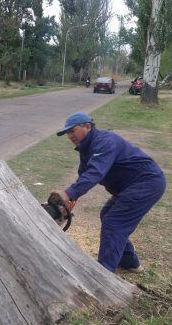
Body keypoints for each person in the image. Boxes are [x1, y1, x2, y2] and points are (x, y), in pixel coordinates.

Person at [54, 112, 166, 273]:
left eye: (72, 131)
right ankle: (129, 262)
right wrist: (68, 203)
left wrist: (68, 193)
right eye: (68, 133)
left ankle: (104, 275)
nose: (70, 136)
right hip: (132, 186)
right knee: (108, 215)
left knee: (114, 222)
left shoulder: (104, 141)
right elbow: (84, 175)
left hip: (146, 182)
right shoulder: (86, 148)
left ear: (87, 126)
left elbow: (95, 173)